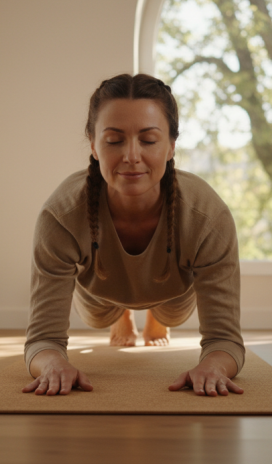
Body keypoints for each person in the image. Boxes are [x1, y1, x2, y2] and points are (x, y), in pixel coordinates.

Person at [22, 74, 245, 397]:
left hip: (174, 292)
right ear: (93, 145)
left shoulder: (208, 216)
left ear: (171, 146)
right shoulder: (60, 215)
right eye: (114, 140)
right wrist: (53, 364)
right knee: (99, 318)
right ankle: (122, 314)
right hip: (99, 293)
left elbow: (225, 340)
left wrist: (213, 366)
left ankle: (155, 315)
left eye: (149, 140)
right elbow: (42, 339)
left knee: (171, 313)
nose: (131, 156)